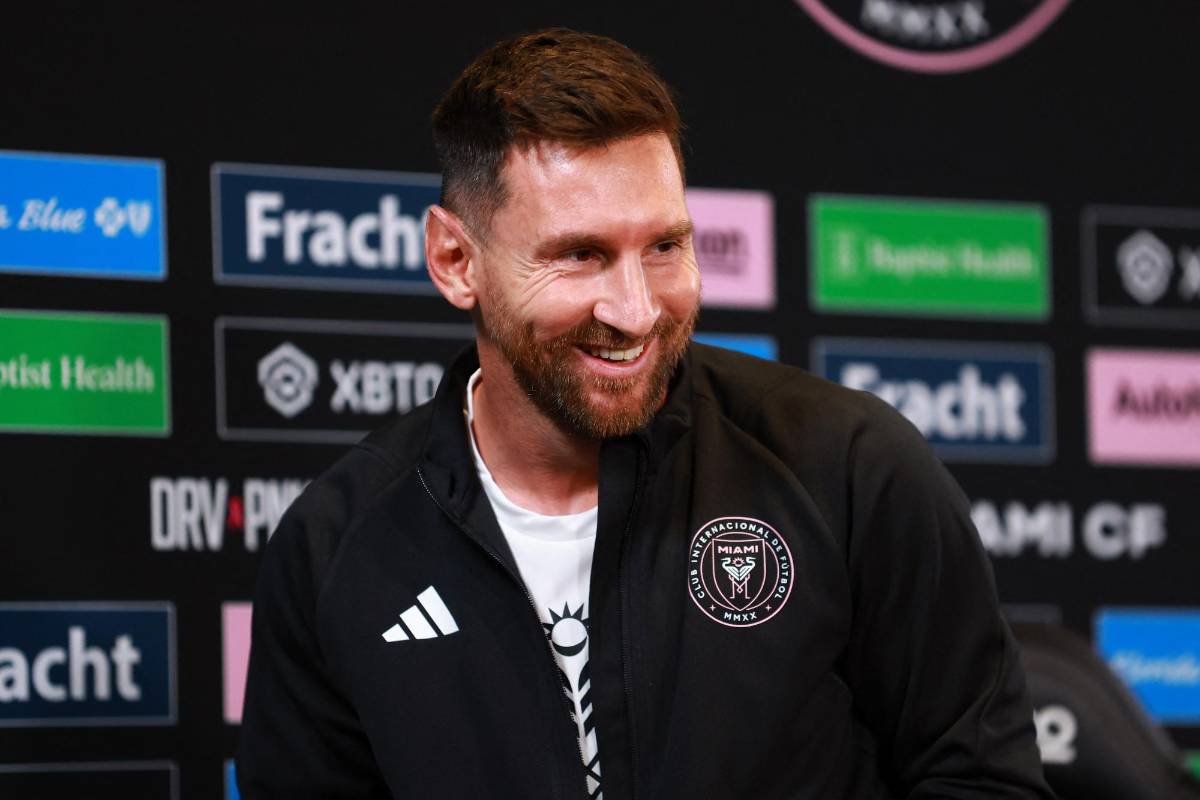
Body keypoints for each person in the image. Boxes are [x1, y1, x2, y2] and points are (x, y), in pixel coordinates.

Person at [236, 28, 1054, 799]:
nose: (635, 309)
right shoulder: (336, 550)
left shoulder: (847, 465)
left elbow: (981, 777)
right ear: (456, 260)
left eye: (664, 247)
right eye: (580, 255)